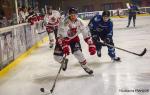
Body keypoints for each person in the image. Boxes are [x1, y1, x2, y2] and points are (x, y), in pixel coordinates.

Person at [53, 7, 96, 75]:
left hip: (74, 39)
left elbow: (86, 35)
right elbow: (60, 36)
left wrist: (91, 45)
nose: (73, 17)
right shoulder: (63, 22)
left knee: (79, 54)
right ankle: (63, 62)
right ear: (69, 15)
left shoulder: (80, 22)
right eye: (71, 15)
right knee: (56, 57)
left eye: (74, 15)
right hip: (63, 39)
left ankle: (85, 67)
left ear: (77, 15)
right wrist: (64, 45)